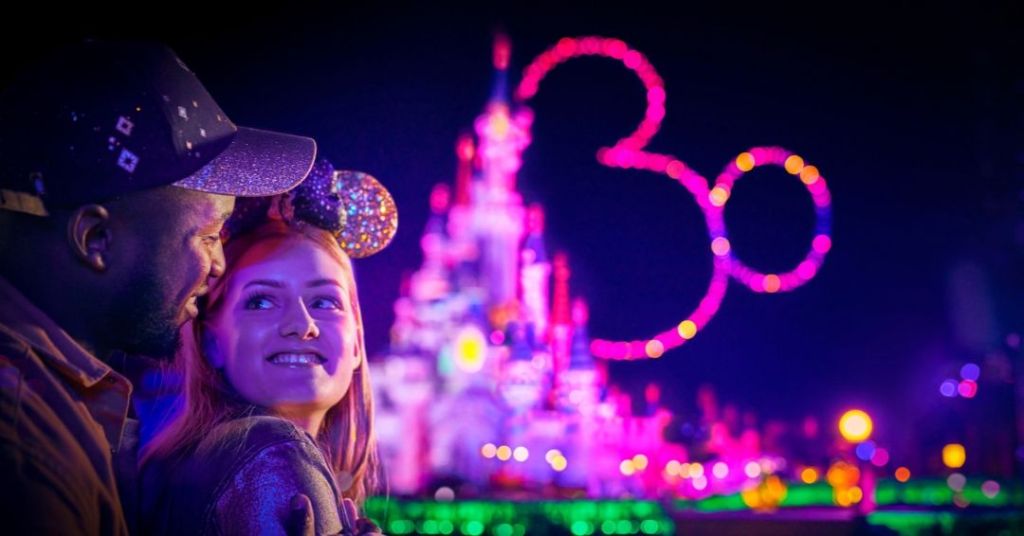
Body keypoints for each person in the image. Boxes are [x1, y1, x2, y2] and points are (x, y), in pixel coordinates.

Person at [0, 41, 316, 535]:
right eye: (208, 235)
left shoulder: (62, 399)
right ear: (96, 239)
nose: (218, 266)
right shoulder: (25, 443)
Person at [141, 160, 396, 535]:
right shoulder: (271, 452)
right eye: (261, 301)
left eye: (325, 302)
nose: (302, 325)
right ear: (210, 340)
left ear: (357, 342)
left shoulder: (196, 460)